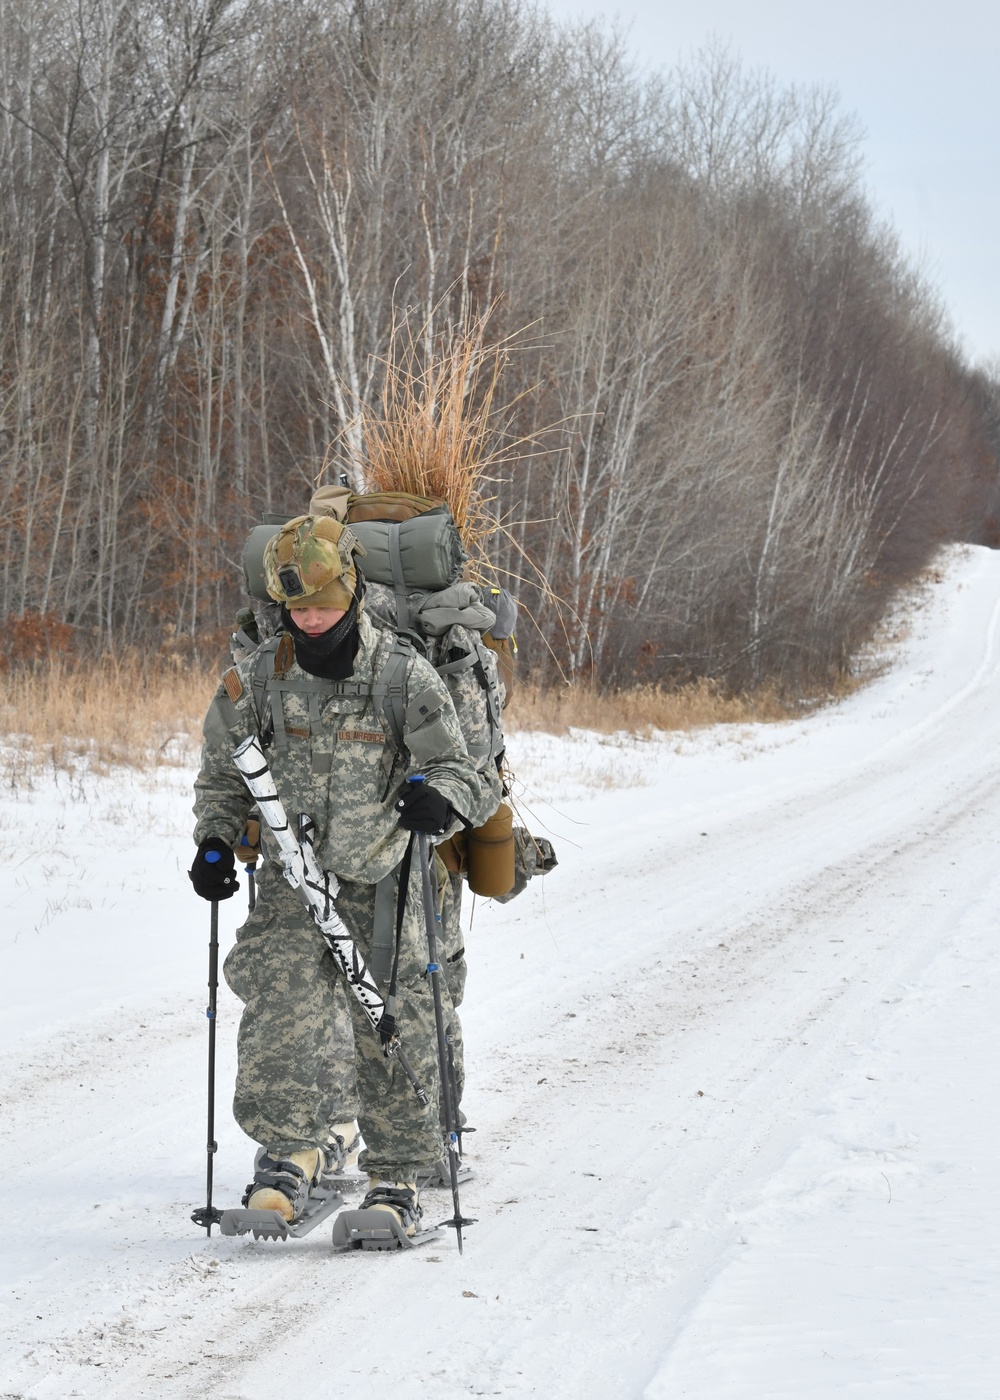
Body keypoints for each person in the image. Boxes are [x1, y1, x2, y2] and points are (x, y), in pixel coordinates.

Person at [189, 513, 488, 1237]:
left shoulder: (400, 674)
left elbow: (467, 774)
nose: (312, 621)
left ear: (351, 592)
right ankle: (291, 1150)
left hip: (380, 876)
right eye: (297, 608)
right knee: (279, 1003)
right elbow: (224, 771)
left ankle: (397, 1174)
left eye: (323, 604)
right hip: (295, 876)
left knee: (391, 1019)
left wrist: (439, 797)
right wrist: (214, 843)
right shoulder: (261, 674)